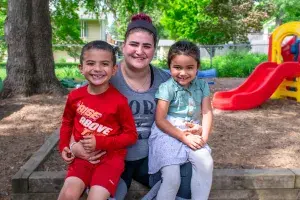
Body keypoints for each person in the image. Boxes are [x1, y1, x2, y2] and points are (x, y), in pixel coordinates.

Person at [64, 13, 202, 200]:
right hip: (110, 154)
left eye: (147, 46)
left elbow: (182, 110)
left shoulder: (166, 80)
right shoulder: (104, 75)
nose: (140, 51)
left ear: (154, 49)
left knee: (186, 182)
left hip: (153, 153)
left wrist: (194, 125)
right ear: (123, 46)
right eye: (134, 44)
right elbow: (78, 115)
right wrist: (73, 146)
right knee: (107, 193)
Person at [58, 40, 138, 200]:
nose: (97, 69)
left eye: (104, 64)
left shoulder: (119, 101)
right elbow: (67, 123)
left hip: (109, 160)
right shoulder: (75, 96)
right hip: (81, 157)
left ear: (114, 69)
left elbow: (131, 136)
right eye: (90, 63)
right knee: (67, 195)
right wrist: (66, 147)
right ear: (81, 68)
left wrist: (101, 143)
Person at [148, 40, 214, 200]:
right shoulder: (167, 87)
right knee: (172, 178)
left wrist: (204, 137)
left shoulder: (202, 86)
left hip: (191, 130)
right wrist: (183, 136)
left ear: (197, 67)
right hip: (168, 132)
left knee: (206, 162)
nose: (183, 73)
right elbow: (160, 119)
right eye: (177, 67)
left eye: (189, 67)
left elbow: (207, 112)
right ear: (169, 66)